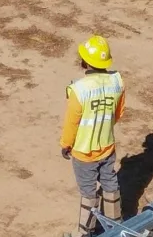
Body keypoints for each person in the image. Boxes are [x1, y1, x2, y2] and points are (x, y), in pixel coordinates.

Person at [60, 35, 125, 236]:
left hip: (84, 152)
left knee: (88, 193)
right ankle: (116, 227)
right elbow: (118, 113)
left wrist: (66, 144)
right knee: (110, 184)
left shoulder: (78, 90)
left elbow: (72, 122)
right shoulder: (117, 82)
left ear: (86, 62)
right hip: (107, 146)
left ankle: (85, 232)